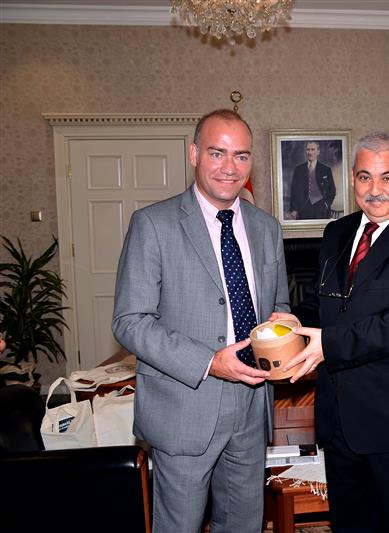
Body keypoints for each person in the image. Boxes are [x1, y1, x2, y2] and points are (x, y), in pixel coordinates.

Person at [112, 109, 290, 532]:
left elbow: (278, 304)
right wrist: (210, 362)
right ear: (194, 154)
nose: (230, 167)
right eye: (217, 153)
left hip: (253, 405)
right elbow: (130, 321)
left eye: (241, 156)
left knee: (244, 524)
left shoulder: (267, 228)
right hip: (185, 406)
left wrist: (285, 327)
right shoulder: (153, 224)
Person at [271, 131, 389, 532]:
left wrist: (328, 344)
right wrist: (292, 321)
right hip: (339, 421)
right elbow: (324, 302)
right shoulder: (336, 233)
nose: (375, 190)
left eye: (387, 177)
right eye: (364, 177)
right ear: (352, 179)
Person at [288, 140, 336, 220]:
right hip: (303, 209)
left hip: (321, 209)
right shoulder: (298, 169)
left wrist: (326, 204)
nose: (310, 152)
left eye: (313, 149)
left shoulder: (326, 170)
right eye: (308, 149)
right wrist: (294, 210)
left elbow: (332, 190)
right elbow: (294, 191)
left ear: (318, 152)